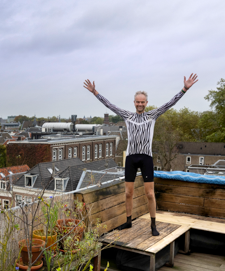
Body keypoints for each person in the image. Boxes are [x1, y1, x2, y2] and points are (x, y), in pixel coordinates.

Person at [84, 74, 199, 236]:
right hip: (131, 157)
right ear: (134, 103)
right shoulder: (127, 115)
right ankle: (128, 221)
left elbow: (170, 103)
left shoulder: (152, 115)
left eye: (142, 102)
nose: (139, 104)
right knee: (128, 193)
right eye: (137, 102)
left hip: (146, 158)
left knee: (150, 193)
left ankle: (153, 224)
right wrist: (95, 92)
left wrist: (184, 89)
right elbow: (110, 105)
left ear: (146, 103)